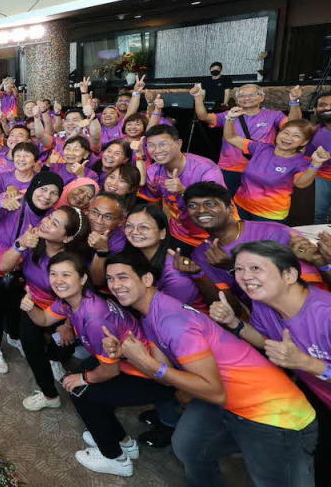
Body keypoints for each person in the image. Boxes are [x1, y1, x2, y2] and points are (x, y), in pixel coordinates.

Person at [103, 252, 318, 487]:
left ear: (146, 280)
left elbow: (207, 389)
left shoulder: (173, 321)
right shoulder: (151, 314)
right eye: (110, 279)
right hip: (224, 402)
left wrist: (152, 367)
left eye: (122, 277)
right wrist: (128, 355)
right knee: (189, 447)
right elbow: (161, 371)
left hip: (274, 414)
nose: (115, 285)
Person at [22, 252, 175, 478]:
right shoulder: (71, 300)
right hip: (127, 361)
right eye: (53, 274)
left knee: (80, 390)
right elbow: (43, 320)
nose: (58, 280)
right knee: (78, 378)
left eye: (66, 274)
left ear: (82, 279)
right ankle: (124, 442)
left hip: (151, 376)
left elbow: (110, 370)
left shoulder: (94, 318)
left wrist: (82, 379)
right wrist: (29, 307)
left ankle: (115, 458)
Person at [210, 240, 331, 483]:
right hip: (319, 398)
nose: (245, 277)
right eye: (239, 269)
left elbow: (301, 360)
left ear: (289, 275)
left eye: (255, 268)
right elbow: (266, 340)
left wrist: (306, 363)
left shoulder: (325, 315)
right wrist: (234, 323)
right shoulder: (263, 303)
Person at [0, 171, 64, 373]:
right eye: (43, 189)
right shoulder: (15, 199)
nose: (47, 196)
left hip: (18, 270)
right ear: (34, 187)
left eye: (54, 193)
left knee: (14, 306)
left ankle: (13, 337)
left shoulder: (52, 217)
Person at [0, 205, 89, 411]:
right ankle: (50, 395)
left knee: (62, 344)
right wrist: (20, 245)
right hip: (31, 304)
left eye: (55, 223)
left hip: (62, 311)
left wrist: (66, 324)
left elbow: (76, 297)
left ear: (67, 238)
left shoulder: (72, 262)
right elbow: (3, 266)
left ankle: (55, 359)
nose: (45, 222)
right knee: (33, 350)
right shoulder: (33, 240)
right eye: (49, 217)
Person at [182, 181, 325, 306]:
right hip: (262, 322)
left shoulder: (275, 233)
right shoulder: (201, 255)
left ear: (231, 207)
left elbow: (309, 291)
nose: (201, 210)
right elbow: (232, 308)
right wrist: (198, 275)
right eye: (193, 205)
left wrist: (234, 268)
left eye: (210, 204)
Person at [221, 112, 326, 222]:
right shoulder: (261, 148)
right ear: (278, 133)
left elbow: (301, 183)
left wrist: (316, 164)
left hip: (269, 215)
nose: (288, 138)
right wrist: (230, 119)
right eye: (286, 133)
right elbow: (231, 137)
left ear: (304, 142)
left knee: (262, 240)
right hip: (240, 206)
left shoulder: (300, 162)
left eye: (296, 136)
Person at [139, 124, 225, 251]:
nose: (157, 150)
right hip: (179, 232)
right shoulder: (153, 172)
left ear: (178, 144)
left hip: (215, 233)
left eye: (163, 144)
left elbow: (218, 204)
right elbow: (154, 201)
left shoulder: (205, 168)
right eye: (151, 145)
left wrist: (184, 191)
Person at [191, 83, 287, 195]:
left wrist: (294, 102)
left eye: (251, 95)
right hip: (229, 168)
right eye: (241, 96)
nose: (246, 98)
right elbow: (204, 117)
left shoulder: (274, 115)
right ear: (237, 100)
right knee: (226, 202)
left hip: (260, 169)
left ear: (261, 97)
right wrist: (198, 97)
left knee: (253, 204)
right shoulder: (229, 114)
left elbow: (293, 125)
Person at [305, 92, 331, 222]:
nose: (327, 108)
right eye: (322, 105)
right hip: (321, 179)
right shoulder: (314, 131)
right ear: (315, 109)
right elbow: (305, 157)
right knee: (317, 215)